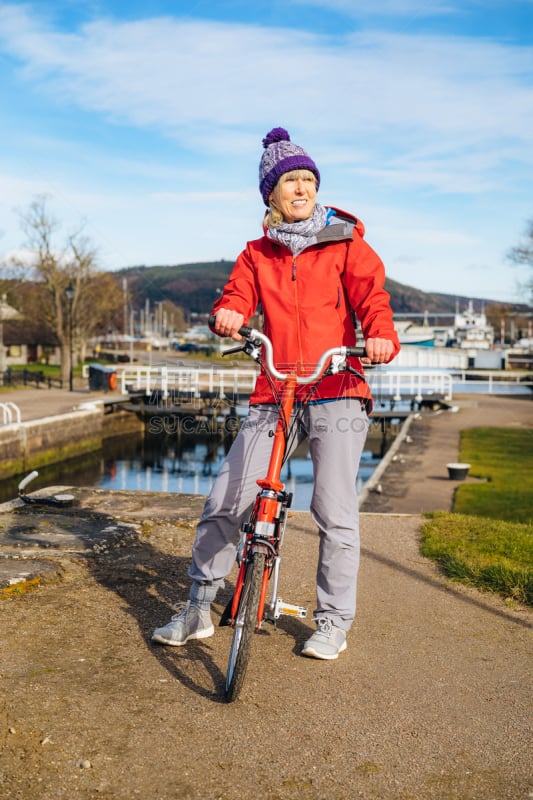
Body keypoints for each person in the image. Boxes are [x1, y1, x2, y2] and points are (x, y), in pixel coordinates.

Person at [152, 127, 400, 660]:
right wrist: (231, 314)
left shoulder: (345, 243)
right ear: (271, 193)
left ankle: (332, 621)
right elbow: (237, 295)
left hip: (336, 386)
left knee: (334, 509)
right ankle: (199, 604)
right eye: (292, 180)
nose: (302, 188)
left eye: (309, 180)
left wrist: (379, 335)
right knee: (228, 497)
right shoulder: (255, 253)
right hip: (275, 388)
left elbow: (372, 298)